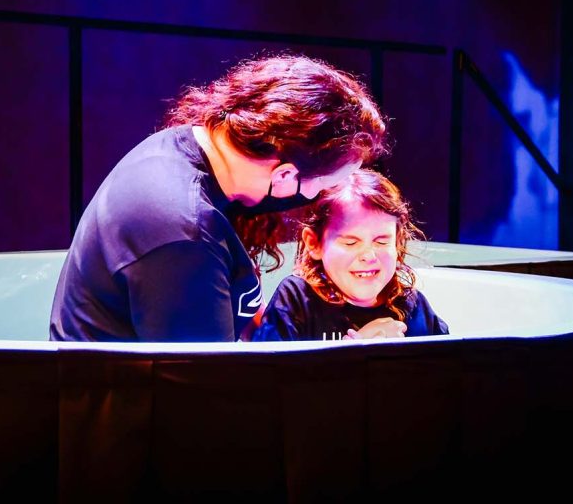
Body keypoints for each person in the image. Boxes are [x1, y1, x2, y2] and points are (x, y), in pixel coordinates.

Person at [49, 54, 388, 342]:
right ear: (284, 175)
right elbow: (206, 395)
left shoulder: (179, 148)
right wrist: (353, 359)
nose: (318, 196)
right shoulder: (184, 233)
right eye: (327, 182)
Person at [253, 168, 449, 341]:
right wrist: (356, 348)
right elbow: (269, 378)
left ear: (397, 242)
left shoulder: (413, 306)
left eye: (381, 241)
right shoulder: (296, 299)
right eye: (351, 242)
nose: (368, 255)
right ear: (314, 243)